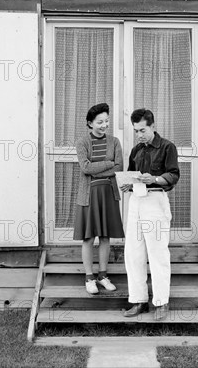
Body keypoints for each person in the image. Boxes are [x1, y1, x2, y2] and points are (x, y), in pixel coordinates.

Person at [120, 108, 180, 321]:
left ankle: (161, 302)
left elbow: (173, 175)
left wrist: (154, 179)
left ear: (153, 126)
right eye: (136, 131)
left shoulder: (167, 147)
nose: (139, 135)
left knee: (157, 253)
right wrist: (127, 184)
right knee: (133, 253)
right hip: (136, 201)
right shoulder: (136, 150)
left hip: (155, 200)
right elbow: (130, 174)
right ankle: (138, 300)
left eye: (143, 130)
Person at [73, 103, 124, 294]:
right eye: (100, 122)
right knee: (88, 237)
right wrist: (107, 163)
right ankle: (89, 278)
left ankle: (103, 275)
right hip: (89, 195)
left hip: (108, 194)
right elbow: (85, 168)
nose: (104, 125)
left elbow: (118, 168)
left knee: (105, 236)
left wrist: (99, 167)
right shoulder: (82, 142)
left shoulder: (115, 141)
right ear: (90, 123)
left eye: (106, 121)